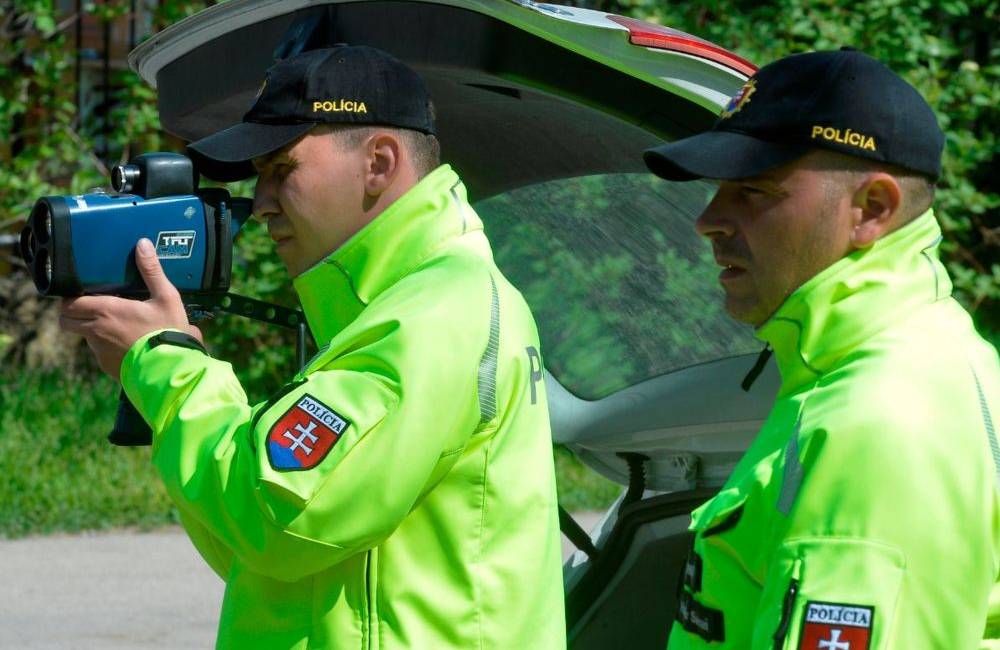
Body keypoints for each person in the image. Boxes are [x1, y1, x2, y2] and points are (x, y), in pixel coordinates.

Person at [59, 45, 566, 649]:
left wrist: (164, 362)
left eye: (281, 169)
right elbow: (250, 548)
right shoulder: (398, 309)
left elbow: (281, 518)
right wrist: (155, 369)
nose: (261, 201)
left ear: (378, 163)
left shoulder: (431, 318)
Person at [643, 48, 1000, 649]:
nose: (709, 220)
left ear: (872, 209)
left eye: (753, 191)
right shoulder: (897, 359)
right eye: (719, 189)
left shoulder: (881, 418)